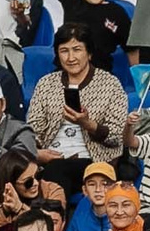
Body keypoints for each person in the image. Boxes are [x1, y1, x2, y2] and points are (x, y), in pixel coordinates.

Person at [27, 25, 129, 201]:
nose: (71, 57)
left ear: (89, 53)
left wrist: (88, 124)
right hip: (51, 158)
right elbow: (33, 128)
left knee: (57, 171)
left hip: (94, 160)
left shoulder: (110, 84)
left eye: (77, 50)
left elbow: (117, 136)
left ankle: (52, 223)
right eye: (64, 51)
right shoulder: (46, 84)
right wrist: (38, 153)